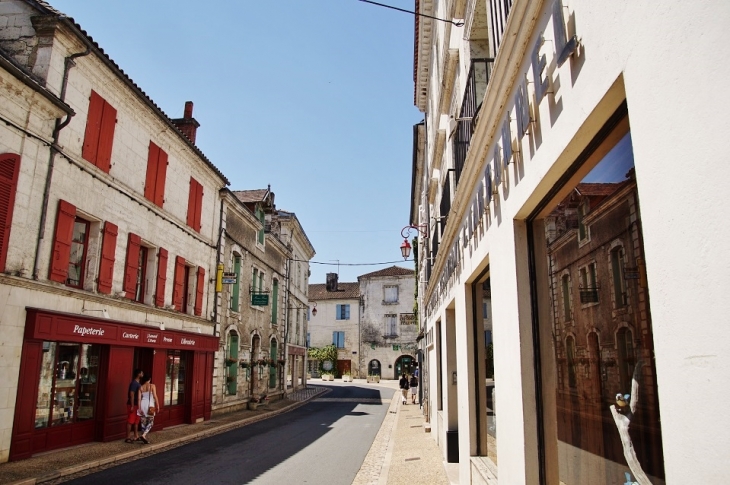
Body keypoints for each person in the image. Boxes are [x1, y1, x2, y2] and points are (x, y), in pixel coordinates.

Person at [137, 374, 160, 444]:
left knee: (143, 422)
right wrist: (158, 406)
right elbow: (155, 396)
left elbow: (139, 399)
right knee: (151, 421)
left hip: (143, 404)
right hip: (150, 405)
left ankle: (143, 436)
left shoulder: (140, 387)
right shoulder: (152, 386)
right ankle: (143, 435)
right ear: (149, 379)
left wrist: (139, 408)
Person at [125, 368, 143, 443]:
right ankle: (128, 437)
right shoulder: (134, 383)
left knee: (136, 421)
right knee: (130, 420)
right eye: (141, 373)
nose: (142, 374)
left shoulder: (138, 383)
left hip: (137, 404)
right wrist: (132, 405)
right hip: (133, 404)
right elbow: (131, 394)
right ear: (138, 374)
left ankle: (136, 435)